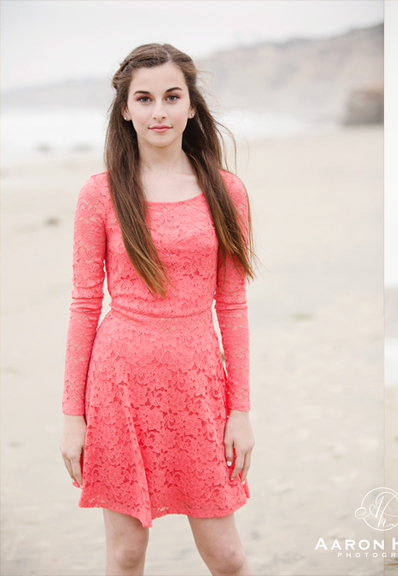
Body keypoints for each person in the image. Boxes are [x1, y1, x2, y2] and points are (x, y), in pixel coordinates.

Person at [59, 43, 256, 576]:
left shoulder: (226, 191)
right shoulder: (99, 194)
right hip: (118, 385)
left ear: (192, 105)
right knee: (126, 555)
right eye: (144, 99)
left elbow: (232, 304)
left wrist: (240, 410)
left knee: (228, 557)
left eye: (172, 97)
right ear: (125, 109)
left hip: (198, 385)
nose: (159, 111)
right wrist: (72, 416)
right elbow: (83, 305)